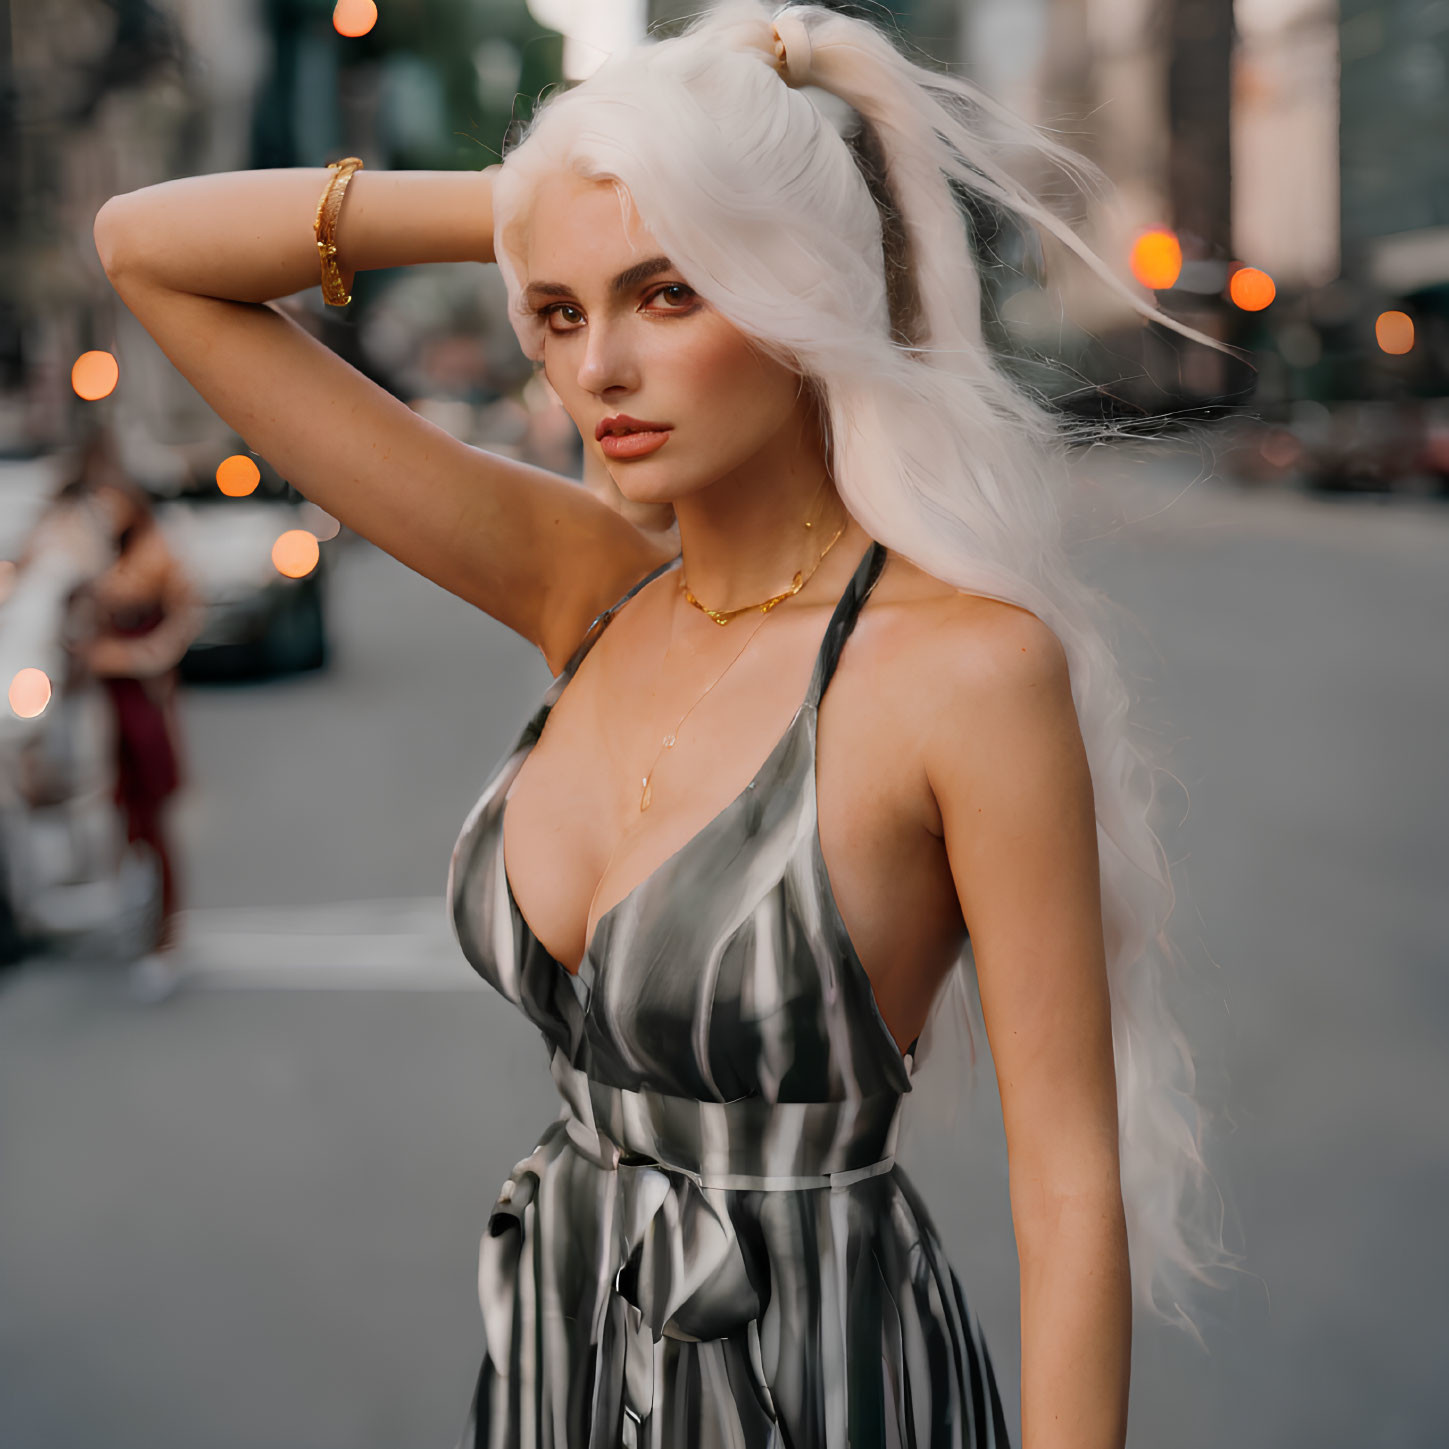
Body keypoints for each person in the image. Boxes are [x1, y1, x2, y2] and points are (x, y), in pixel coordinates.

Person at [92, 2, 1238, 1442]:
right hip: (561, 1358)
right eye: (560, 314)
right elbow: (148, 248)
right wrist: (546, 195)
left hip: (818, 1375)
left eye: (670, 291)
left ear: (799, 289)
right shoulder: (586, 585)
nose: (598, 372)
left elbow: (1068, 1193)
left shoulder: (963, 671)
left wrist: (670, 178)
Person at [71, 430, 203, 998]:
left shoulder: (153, 555)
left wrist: (156, 652)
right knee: (125, 814)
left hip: (141, 701)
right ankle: (141, 915)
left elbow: (184, 608)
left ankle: (166, 934)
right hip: (109, 704)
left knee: (152, 815)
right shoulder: (95, 555)